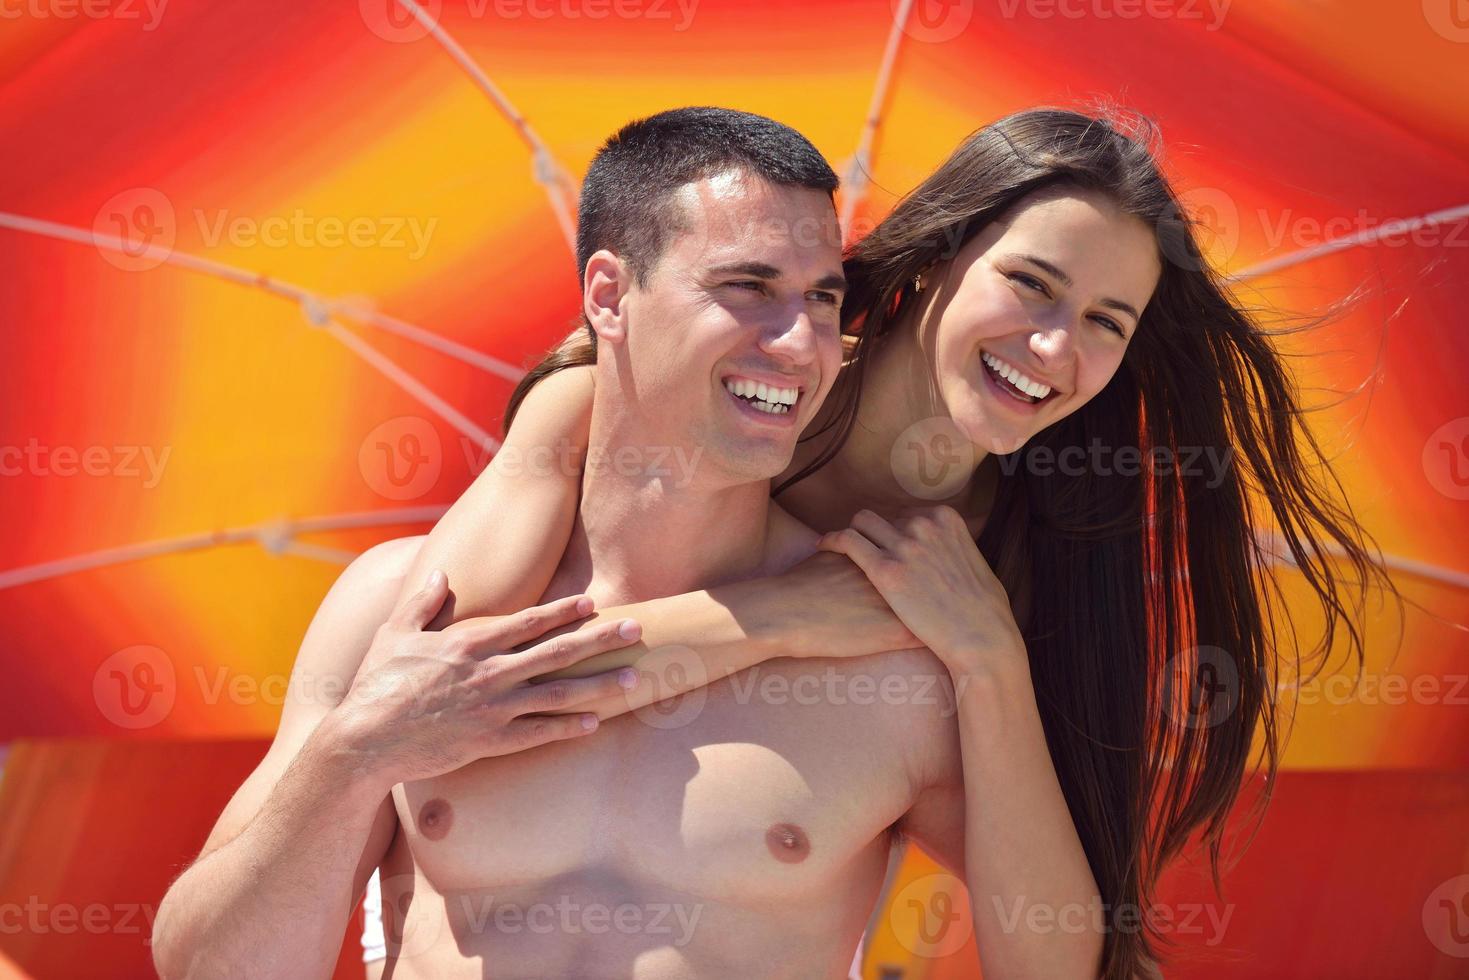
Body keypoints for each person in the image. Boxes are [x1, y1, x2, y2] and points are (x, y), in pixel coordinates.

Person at [354, 106, 1398, 978]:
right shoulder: (741, 372)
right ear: (939, 255)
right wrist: (787, 612)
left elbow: (1054, 955)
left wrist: (986, 656)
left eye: (1103, 322)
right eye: (1030, 284)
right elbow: (462, 648)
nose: (1052, 347)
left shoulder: (1026, 560)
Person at [156, 107, 1010, 978]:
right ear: (607, 295)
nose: (800, 342)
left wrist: (994, 658)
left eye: (823, 298)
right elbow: (207, 969)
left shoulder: (881, 643)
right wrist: (357, 752)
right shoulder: (399, 609)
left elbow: (1061, 951)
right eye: (748, 287)